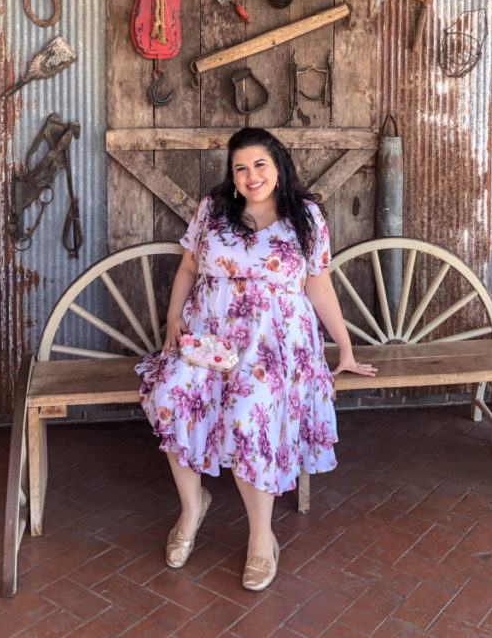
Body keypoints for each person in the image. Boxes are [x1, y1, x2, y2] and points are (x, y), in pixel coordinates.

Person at [136, 127, 378, 591]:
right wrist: (172, 317)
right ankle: (192, 508)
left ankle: (262, 537)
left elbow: (319, 286)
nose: (251, 176)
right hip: (209, 335)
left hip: (276, 344)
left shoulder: (305, 217)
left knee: (251, 418)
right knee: (170, 397)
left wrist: (344, 349)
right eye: (240, 168)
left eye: (260, 165)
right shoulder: (213, 210)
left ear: (279, 166)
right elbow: (188, 267)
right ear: (231, 175)